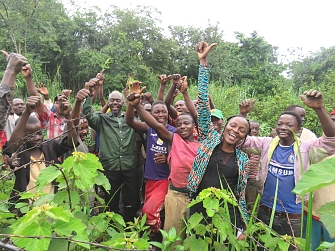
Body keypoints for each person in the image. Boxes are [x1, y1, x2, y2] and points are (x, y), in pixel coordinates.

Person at [239, 91, 335, 248]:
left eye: (289, 125)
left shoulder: (306, 149)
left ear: (298, 130)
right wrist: (242, 115)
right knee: (260, 246)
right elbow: (241, 140)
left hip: (293, 217)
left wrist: (319, 108)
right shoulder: (266, 144)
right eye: (280, 124)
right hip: (265, 212)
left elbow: (331, 141)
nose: (283, 127)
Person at [187, 41, 250, 241]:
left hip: (226, 214)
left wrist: (245, 226)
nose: (235, 131)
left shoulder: (243, 160)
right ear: (224, 126)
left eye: (242, 130)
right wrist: (203, 62)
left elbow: (241, 196)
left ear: (244, 137)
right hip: (200, 206)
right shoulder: (208, 139)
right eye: (233, 126)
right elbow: (203, 101)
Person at [76, 81, 140, 223]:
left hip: (129, 165)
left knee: (131, 199)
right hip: (110, 166)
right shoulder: (101, 120)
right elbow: (87, 113)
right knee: (112, 199)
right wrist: (90, 93)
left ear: (123, 103)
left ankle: (130, 224)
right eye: (112, 100)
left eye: (118, 100)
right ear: (108, 103)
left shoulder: (131, 119)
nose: (114, 103)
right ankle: (112, 226)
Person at [3, 95, 78, 205]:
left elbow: (72, 142)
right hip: (28, 207)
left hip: (52, 205)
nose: (37, 138)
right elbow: (11, 147)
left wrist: (68, 116)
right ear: (21, 136)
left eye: (39, 133)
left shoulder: (49, 146)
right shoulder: (18, 152)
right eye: (30, 135)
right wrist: (26, 113)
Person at [125, 82, 177, 238]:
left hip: (164, 179)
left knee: (148, 212)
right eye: (157, 112)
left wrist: (167, 158)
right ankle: (153, 239)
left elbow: (178, 155)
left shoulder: (173, 131)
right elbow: (129, 121)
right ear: (151, 114)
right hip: (150, 179)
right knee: (156, 211)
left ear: (168, 114)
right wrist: (131, 104)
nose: (160, 115)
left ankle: (157, 238)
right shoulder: (149, 128)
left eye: (163, 112)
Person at [0, 51, 28, 149]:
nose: (20, 106)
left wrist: (11, 71)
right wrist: (10, 70)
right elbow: (2, 108)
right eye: (17, 105)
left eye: (22, 104)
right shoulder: (9, 119)